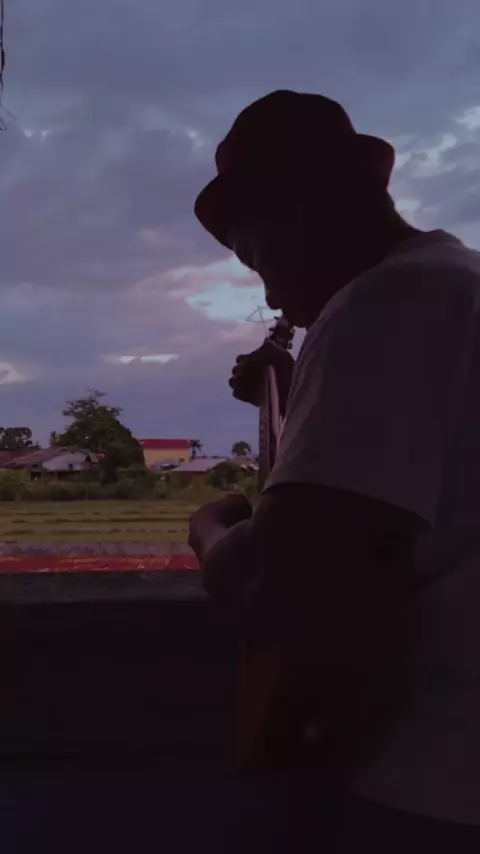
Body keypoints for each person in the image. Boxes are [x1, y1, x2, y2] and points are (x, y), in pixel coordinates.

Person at [189, 90, 480, 851]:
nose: (268, 292)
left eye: (255, 258)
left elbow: (280, 578)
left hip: (425, 779)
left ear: (296, 208)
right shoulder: (458, 283)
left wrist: (210, 529)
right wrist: (292, 397)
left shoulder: (385, 302)